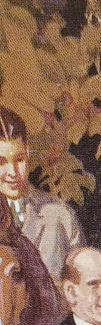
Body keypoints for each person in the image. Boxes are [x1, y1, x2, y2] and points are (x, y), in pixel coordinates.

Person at [0, 106, 83, 281]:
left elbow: (82, 286)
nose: (13, 172)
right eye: (1, 162)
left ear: (28, 154)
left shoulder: (60, 214)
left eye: (19, 159)